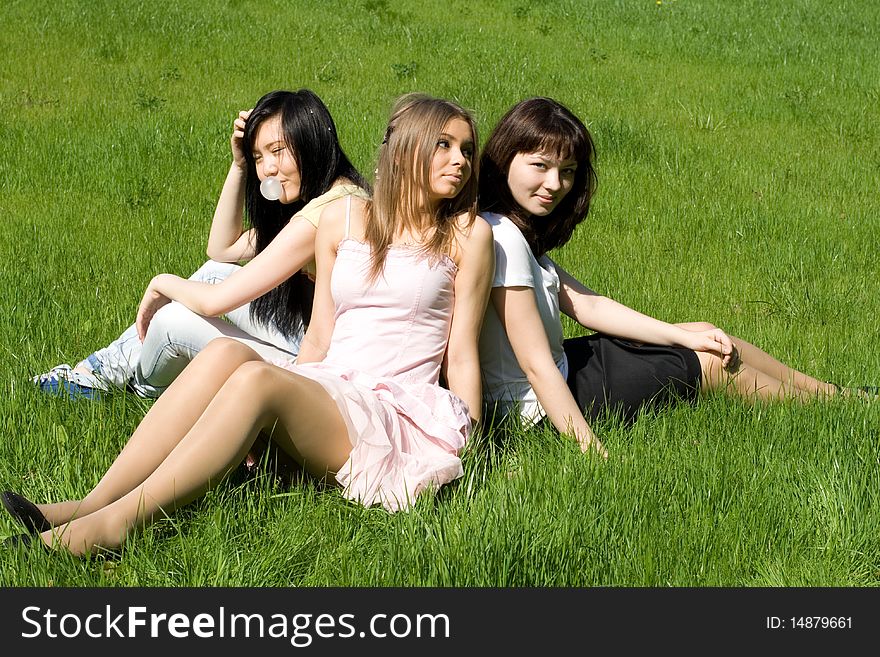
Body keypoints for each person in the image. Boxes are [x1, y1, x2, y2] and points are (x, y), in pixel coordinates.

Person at [3, 93, 494, 555]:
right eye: (444, 145)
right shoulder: (344, 217)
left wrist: (465, 438)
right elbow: (321, 333)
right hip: (332, 391)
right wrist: (289, 401)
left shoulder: (468, 235)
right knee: (224, 354)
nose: (461, 160)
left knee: (257, 376)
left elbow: (462, 351)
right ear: (405, 149)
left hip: (392, 411)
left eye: (467, 150)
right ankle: (90, 504)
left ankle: (113, 527)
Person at [477, 97, 868, 457]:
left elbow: (588, 305)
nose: (554, 184)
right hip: (538, 411)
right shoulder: (504, 239)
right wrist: (590, 450)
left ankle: (833, 395)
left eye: (567, 172)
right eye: (540, 166)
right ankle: (823, 409)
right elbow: (535, 366)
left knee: (705, 332)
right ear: (506, 158)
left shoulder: (512, 230)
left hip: (560, 368)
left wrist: (684, 335)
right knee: (711, 364)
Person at [33, 89, 369, 400]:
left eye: (277, 150)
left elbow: (214, 303)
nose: (266, 169)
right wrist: (238, 165)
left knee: (172, 321)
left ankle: (140, 386)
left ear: (309, 141)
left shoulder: (320, 216)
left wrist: (160, 283)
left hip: (320, 364)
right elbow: (222, 251)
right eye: (258, 156)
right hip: (316, 340)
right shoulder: (340, 195)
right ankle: (100, 369)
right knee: (213, 272)